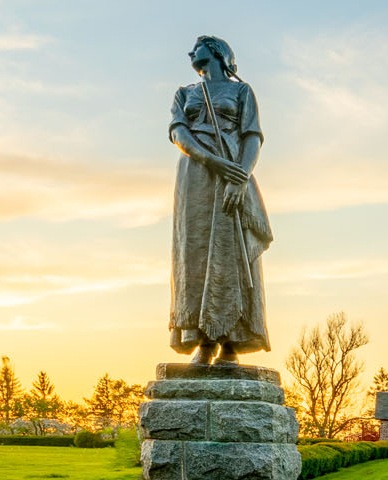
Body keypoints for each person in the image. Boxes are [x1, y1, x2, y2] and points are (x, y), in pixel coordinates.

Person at [166, 35, 271, 365]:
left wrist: (238, 177)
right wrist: (211, 161)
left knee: (230, 252)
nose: (190, 53)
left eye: (197, 47)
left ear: (215, 53)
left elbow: (252, 136)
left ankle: (231, 341)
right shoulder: (185, 93)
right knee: (192, 254)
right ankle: (201, 339)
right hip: (195, 176)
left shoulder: (242, 92)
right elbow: (178, 133)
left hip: (232, 174)